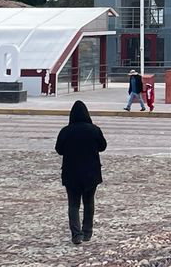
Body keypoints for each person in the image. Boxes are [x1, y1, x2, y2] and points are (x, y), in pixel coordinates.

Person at [55, 100, 106, 245]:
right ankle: (87, 232)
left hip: (71, 173)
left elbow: (59, 149)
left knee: (73, 204)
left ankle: (76, 234)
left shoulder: (66, 131)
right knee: (89, 202)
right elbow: (103, 146)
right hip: (91, 172)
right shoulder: (94, 130)